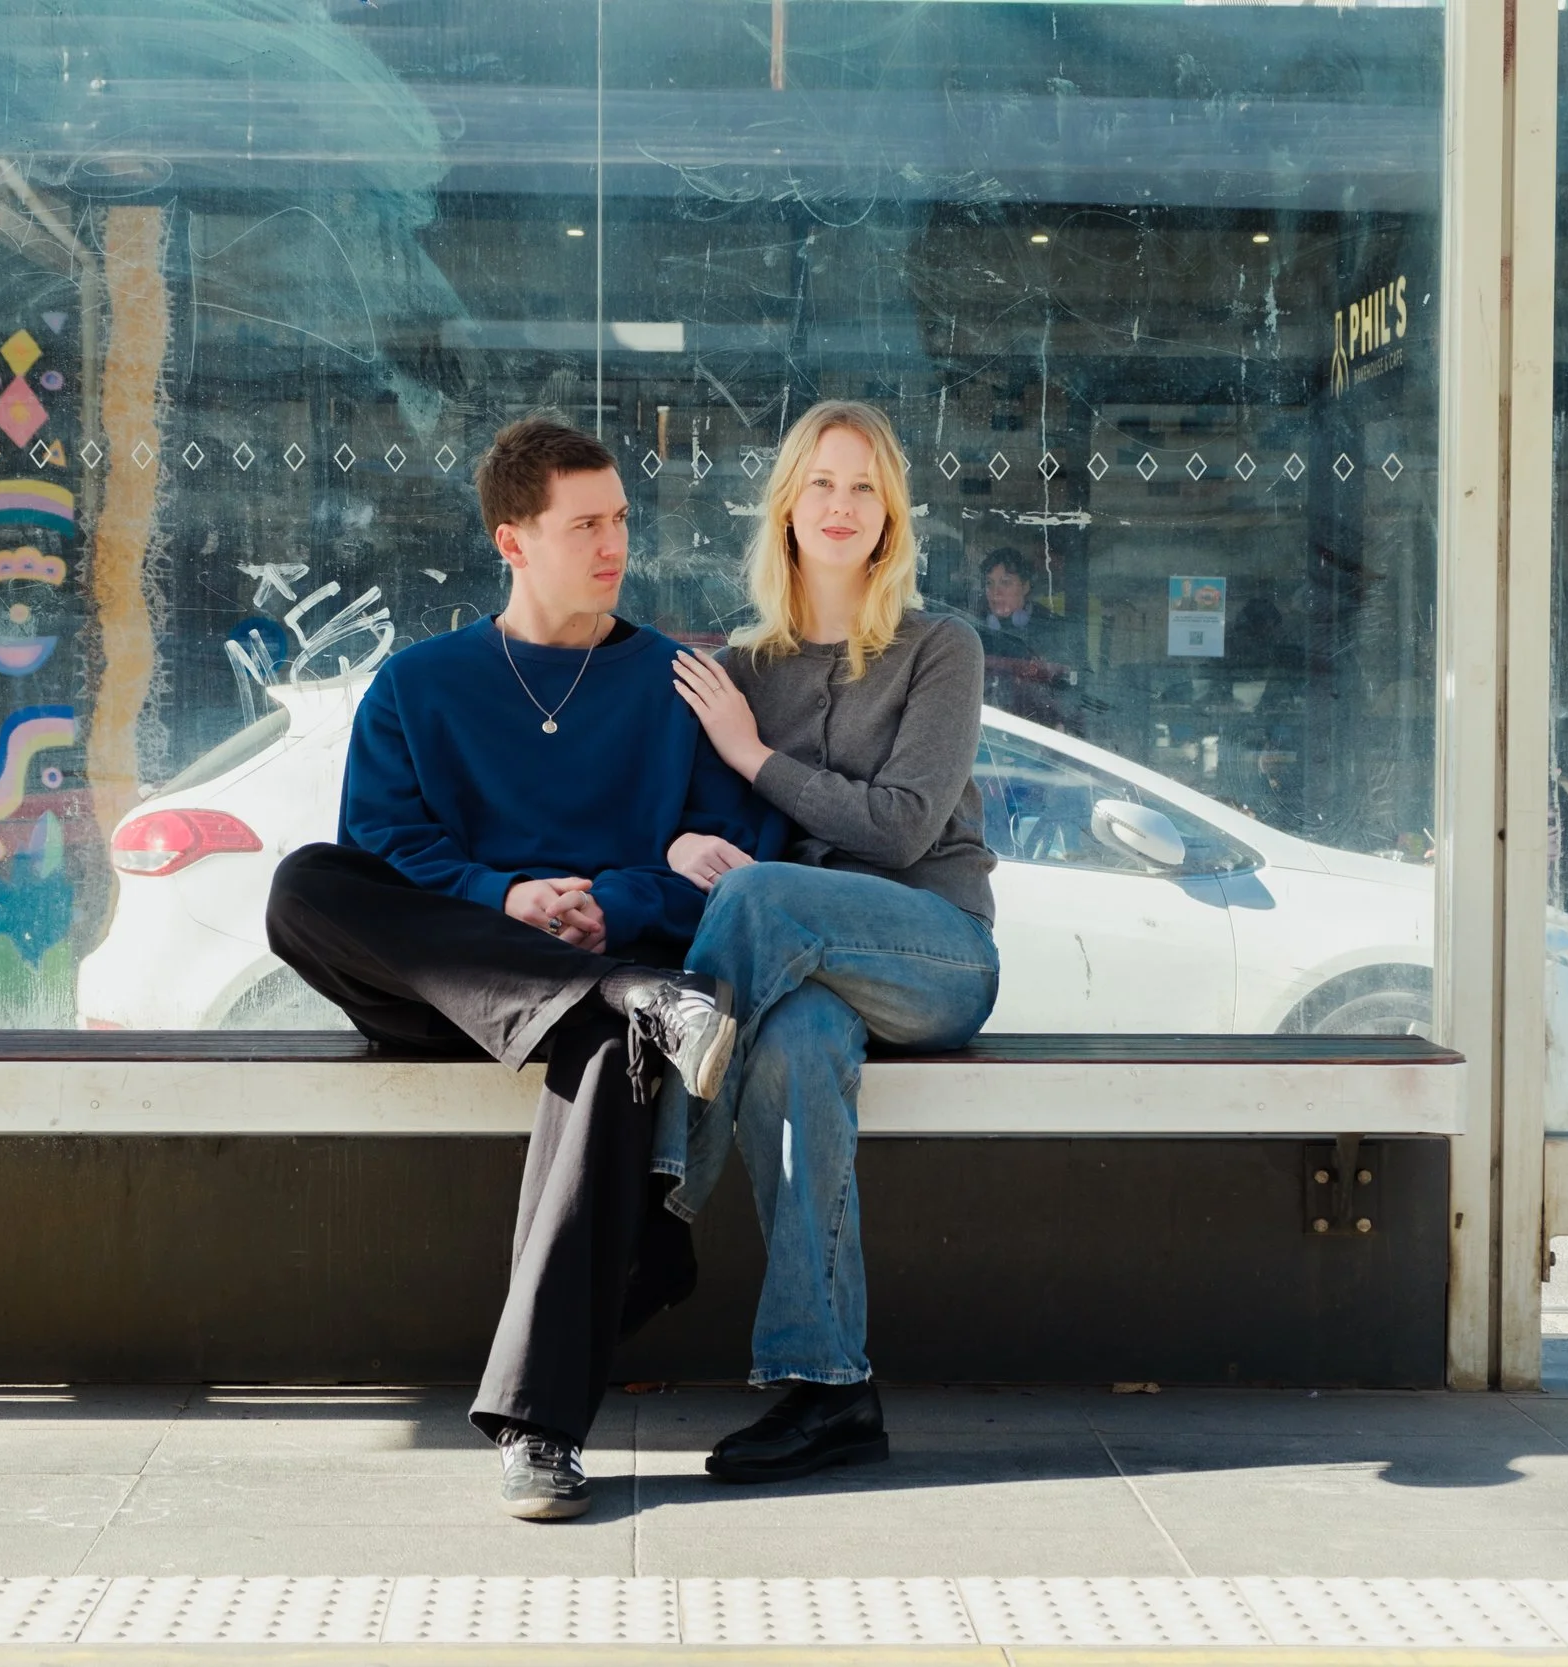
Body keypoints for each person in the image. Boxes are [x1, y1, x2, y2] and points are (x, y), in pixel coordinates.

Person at [264, 418, 783, 1522]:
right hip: (458, 986)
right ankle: (622, 997)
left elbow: (736, 867)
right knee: (304, 883)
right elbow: (384, 852)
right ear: (513, 540)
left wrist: (614, 903)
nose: (615, 544)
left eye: (620, 519)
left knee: (605, 1044)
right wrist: (504, 896)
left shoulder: (676, 685)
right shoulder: (418, 684)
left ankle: (540, 1428)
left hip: (614, 986)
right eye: (585, 524)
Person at [655, 400, 1001, 1482]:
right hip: (802, 974)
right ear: (787, 506)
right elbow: (677, 813)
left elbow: (901, 828)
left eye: (863, 487)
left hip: (934, 952)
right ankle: (830, 1385)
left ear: (890, 513)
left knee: (764, 896)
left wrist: (753, 756)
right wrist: (678, 844)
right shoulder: (744, 666)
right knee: (796, 1046)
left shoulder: (940, 647)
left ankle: (658, 1195)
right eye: (821, 483)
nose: (841, 505)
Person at [974, 546, 1083, 732]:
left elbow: (1072, 691)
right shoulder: (974, 627)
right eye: (989, 583)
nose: (995, 592)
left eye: (1005, 583)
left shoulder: (1053, 630)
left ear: (1025, 587)